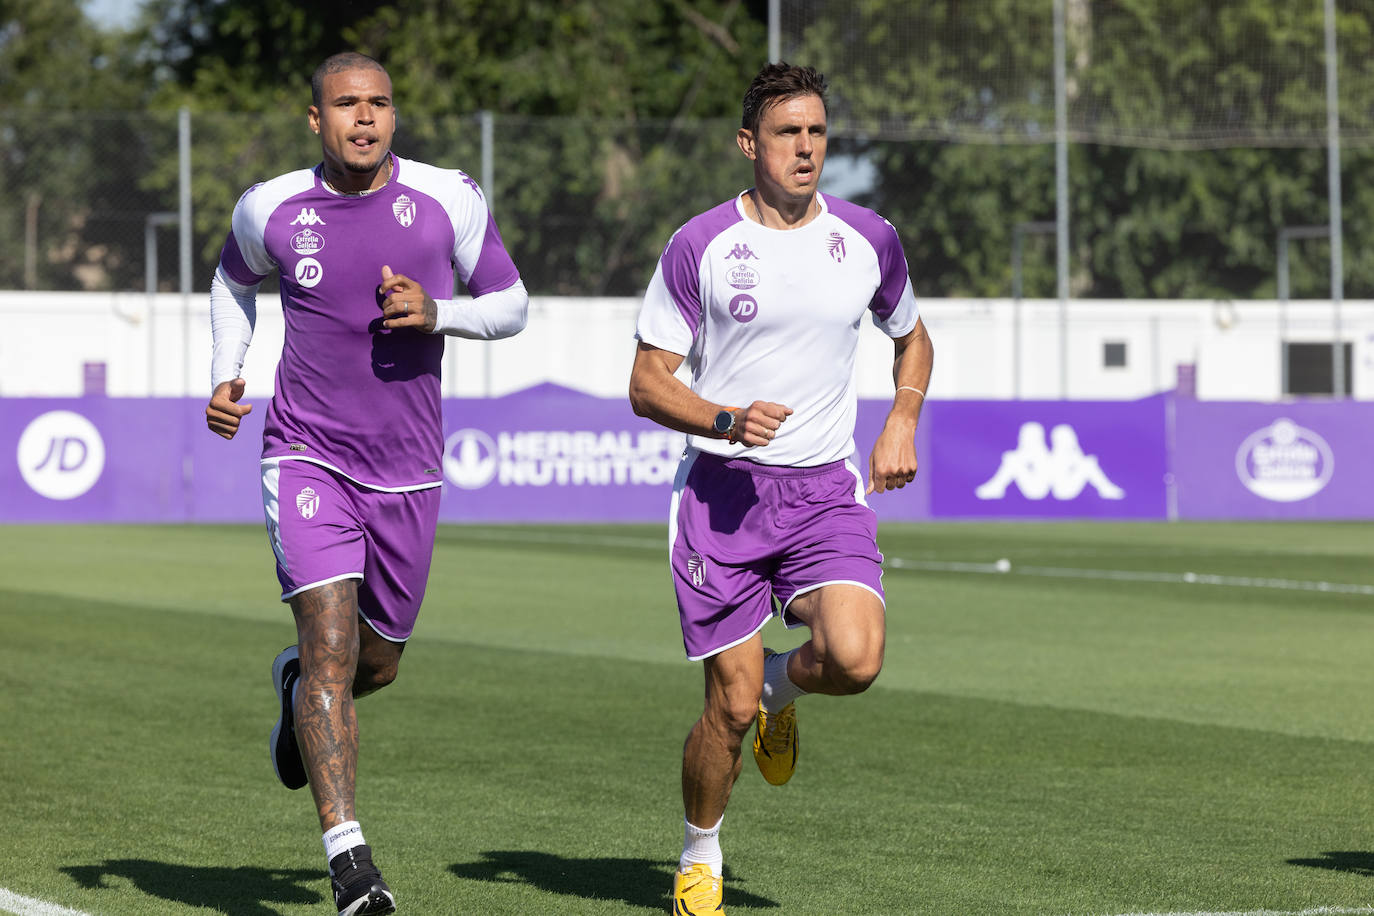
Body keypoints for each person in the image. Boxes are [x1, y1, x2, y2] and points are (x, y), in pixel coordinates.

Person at [205, 52, 528, 916]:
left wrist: (438, 311)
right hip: (306, 453)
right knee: (332, 651)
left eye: (379, 103)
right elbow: (232, 282)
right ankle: (352, 867)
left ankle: (294, 687)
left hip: (409, 470)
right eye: (346, 104)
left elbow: (511, 302)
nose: (365, 118)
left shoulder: (447, 198)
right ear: (317, 120)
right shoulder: (270, 208)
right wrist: (225, 370)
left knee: (372, 667)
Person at [628, 62, 933, 914]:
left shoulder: (870, 237)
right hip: (722, 500)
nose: (806, 148)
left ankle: (779, 688)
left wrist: (902, 417)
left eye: (817, 132)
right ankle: (701, 852)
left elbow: (913, 340)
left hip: (824, 493)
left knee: (857, 657)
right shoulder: (702, 246)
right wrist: (724, 420)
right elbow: (647, 383)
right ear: (747, 144)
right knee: (722, 710)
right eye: (786, 133)